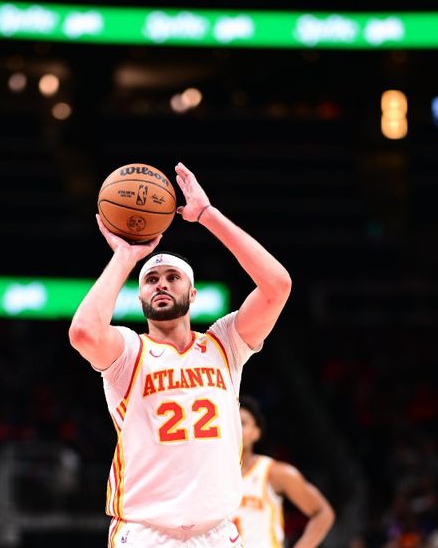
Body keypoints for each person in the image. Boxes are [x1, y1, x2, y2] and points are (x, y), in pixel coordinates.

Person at [69, 162, 292, 547]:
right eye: (152, 280)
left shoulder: (224, 343)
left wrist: (207, 216)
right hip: (145, 534)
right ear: (139, 298)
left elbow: (277, 286)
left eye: (174, 278)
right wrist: (125, 256)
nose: (161, 284)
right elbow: (84, 332)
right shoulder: (130, 352)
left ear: (193, 295)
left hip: (218, 532)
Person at [234, 396, 334, 548]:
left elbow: (323, 513)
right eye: (232, 422)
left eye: (242, 423)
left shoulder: (273, 472)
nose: (236, 429)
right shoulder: (211, 474)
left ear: (257, 433)